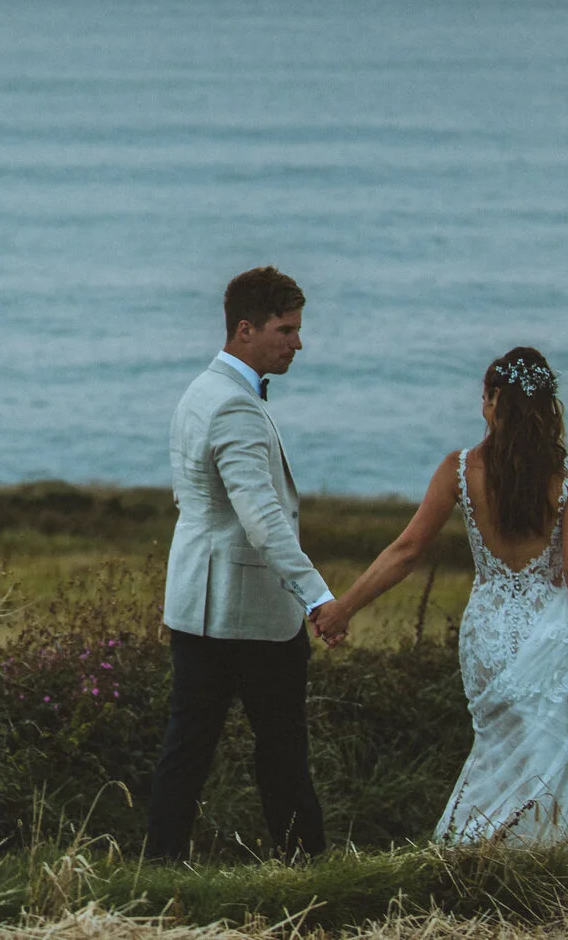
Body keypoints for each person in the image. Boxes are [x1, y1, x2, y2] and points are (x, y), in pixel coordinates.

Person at [316, 347, 568, 842]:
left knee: (497, 752)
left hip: (488, 633)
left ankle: (476, 855)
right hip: (552, 633)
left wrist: (343, 608)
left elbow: (407, 549)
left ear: (495, 401)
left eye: (485, 397)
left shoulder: (459, 469)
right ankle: (548, 863)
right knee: (554, 754)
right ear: (547, 407)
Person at [144, 265, 338, 861]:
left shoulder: (200, 390)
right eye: (286, 329)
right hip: (250, 613)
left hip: (194, 606)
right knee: (282, 751)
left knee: (186, 750)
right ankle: (304, 868)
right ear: (245, 329)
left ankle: (159, 866)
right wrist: (317, 594)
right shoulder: (235, 408)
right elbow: (262, 520)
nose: (297, 342)